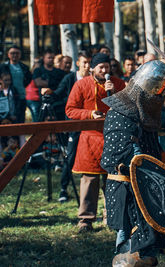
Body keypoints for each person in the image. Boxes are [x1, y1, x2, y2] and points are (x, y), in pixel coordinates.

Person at [101, 60, 165, 266]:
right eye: (154, 93)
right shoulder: (120, 111)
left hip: (145, 187)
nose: (157, 98)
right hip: (126, 188)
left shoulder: (148, 110)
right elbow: (115, 156)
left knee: (147, 251)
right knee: (130, 250)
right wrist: (138, 159)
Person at [65, 53, 125, 233]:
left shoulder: (118, 83)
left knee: (113, 179)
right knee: (89, 180)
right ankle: (86, 219)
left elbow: (127, 106)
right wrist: (89, 114)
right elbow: (70, 110)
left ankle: (113, 217)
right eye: (101, 67)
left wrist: (113, 92)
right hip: (89, 139)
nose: (105, 70)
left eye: (107, 67)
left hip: (113, 138)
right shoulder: (81, 84)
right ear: (93, 68)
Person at [53, 50, 91, 202]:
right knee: (71, 155)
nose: (87, 66)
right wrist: (49, 93)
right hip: (75, 122)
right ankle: (64, 188)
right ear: (78, 63)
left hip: (91, 122)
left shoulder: (94, 79)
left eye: (89, 63)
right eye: (84, 63)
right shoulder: (70, 78)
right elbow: (59, 93)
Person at [0, 45, 32, 123]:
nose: (14, 55)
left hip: (21, 96)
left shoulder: (24, 67)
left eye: (17, 53)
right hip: (6, 97)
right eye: (12, 53)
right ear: (8, 54)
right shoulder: (3, 67)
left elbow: (28, 79)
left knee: (20, 119)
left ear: (20, 55)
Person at [33, 49, 67, 121]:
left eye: (52, 58)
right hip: (42, 102)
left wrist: (47, 82)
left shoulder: (59, 72)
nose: (51, 60)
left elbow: (62, 85)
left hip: (57, 101)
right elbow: (38, 83)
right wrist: (54, 83)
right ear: (44, 58)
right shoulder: (38, 70)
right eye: (49, 58)